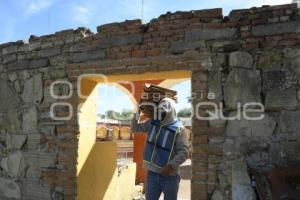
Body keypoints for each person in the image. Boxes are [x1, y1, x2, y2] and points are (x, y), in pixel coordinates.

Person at [131, 97, 190, 200]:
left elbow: (184, 152)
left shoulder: (179, 129)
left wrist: (171, 166)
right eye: (159, 111)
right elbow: (135, 128)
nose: (161, 114)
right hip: (152, 174)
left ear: (171, 112)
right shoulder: (152, 123)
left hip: (170, 176)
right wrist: (138, 110)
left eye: (164, 112)